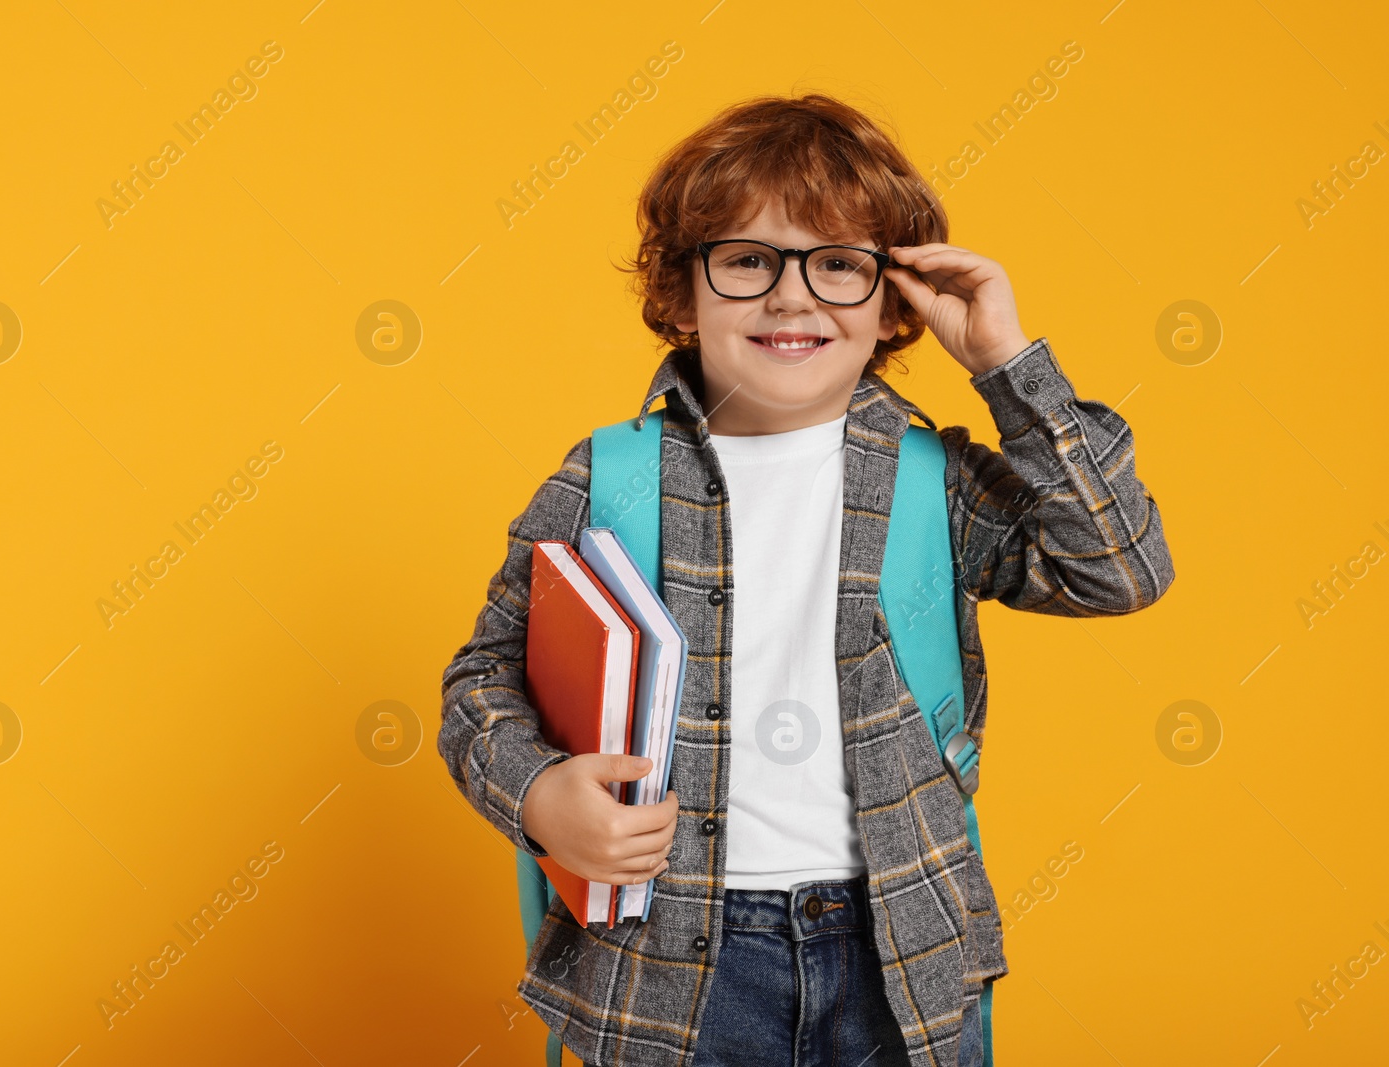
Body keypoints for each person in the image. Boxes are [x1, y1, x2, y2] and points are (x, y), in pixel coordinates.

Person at [438, 92, 1174, 1067]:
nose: (792, 298)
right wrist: (538, 794)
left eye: (837, 264)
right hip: (668, 967)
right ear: (681, 287)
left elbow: (1118, 569)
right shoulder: (609, 475)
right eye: (747, 260)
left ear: (893, 296)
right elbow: (479, 678)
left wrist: (1006, 365)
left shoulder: (934, 481)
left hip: (899, 949)